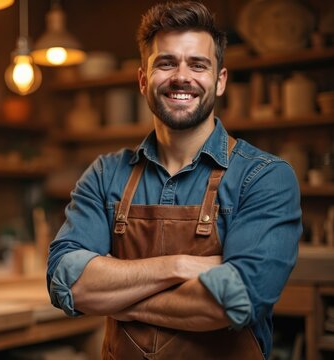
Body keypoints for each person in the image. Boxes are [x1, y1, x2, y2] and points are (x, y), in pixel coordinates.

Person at [46, 1, 302, 359]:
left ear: (220, 80)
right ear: (142, 79)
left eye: (198, 64)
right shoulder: (106, 174)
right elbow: (68, 281)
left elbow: (233, 300)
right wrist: (178, 267)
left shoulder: (264, 178)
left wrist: (119, 300)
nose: (182, 76)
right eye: (166, 63)